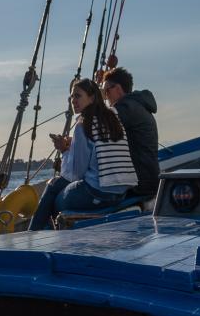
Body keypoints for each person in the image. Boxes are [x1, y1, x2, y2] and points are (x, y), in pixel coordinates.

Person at [29, 78, 137, 230]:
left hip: (98, 193)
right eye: (71, 97)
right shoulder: (113, 119)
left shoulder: (83, 125)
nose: (73, 100)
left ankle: (33, 235)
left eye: (77, 96)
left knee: (54, 190)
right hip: (121, 192)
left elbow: (76, 174)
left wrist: (64, 150)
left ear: (92, 98)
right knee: (57, 186)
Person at [102, 67, 160, 197]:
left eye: (106, 91)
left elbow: (99, 131)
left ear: (117, 88)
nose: (106, 97)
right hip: (150, 179)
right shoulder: (138, 105)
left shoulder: (125, 109)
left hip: (139, 185)